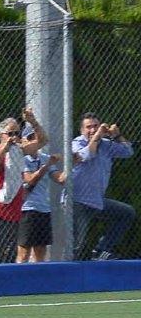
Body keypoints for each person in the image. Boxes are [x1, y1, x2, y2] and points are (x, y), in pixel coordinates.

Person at [0, 110, 47, 264]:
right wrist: (4, 149)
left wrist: (33, 122)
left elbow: (43, 141)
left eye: (17, 133)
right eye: (10, 134)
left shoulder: (19, 151)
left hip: (12, 214)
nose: (14, 137)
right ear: (2, 135)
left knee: (4, 258)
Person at [70, 113, 135, 260]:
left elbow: (128, 152)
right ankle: (68, 268)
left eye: (96, 126)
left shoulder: (106, 144)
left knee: (126, 213)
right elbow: (87, 155)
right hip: (78, 201)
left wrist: (117, 136)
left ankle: (101, 250)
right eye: (89, 127)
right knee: (76, 246)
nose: (93, 129)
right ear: (81, 130)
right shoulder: (77, 143)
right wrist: (98, 135)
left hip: (97, 200)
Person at [16, 146, 66, 263]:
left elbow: (60, 179)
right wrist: (48, 164)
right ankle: (20, 274)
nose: (33, 140)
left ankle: (37, 274)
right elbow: (30, 179)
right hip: (27, 208)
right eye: (29, 138)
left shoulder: (45, 158)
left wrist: (72, 163)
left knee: (40, 251)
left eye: (34, 137)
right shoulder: (22, 159)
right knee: (24, 252)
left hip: (44, 209)